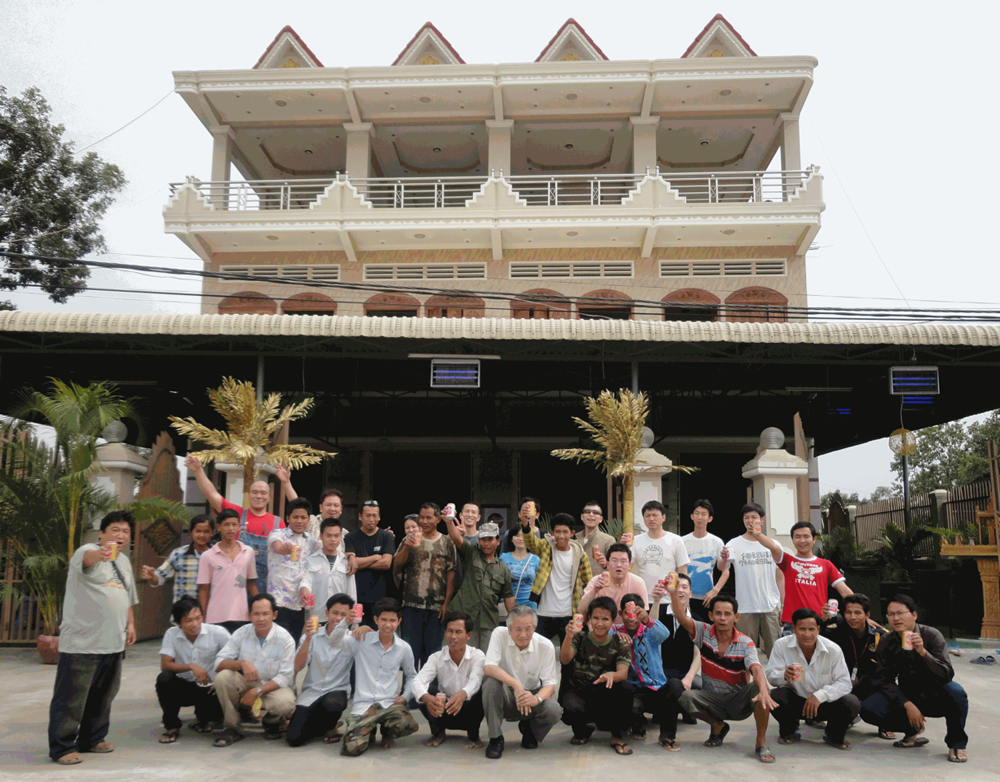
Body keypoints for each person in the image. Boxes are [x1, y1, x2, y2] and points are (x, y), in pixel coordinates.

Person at [47, 511, 138, 766]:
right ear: (102, 533)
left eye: (125, 532)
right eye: (115, 530)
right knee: (72, 696)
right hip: (83, 642)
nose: (120, 536)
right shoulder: (86, 551)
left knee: (104, 694)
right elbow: (87, 560)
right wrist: (99, 554)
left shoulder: (124, 563)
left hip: (113, 641)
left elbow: (128, 597)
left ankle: (93, 738)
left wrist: (131, 624)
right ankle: (63, 746)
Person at [669, 588, 779, 764]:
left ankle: (761, 742)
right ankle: (717, 724)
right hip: (711, 698)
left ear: (736, 617)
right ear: (711, 615)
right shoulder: (703, 631)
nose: (722, 618)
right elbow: (682, 618)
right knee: (684, 696)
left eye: (727, 614)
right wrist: (673, 593)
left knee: (760, 687)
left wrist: (764, 691)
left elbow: (756, 669)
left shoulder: (745, 643)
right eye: (718, 613)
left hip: (738, 700)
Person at [860, 594, 968, 763]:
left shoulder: (931, 635)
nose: (896, 618)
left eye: (901, 613)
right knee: (869, 708)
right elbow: (883, 679)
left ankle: (957, 743)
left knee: (956, 692)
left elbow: (947, 674)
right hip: (908, 694)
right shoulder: (886, 641)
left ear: (914, 615)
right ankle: (912, 730)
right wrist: (907, 703)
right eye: (891, 614)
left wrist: (923, 653)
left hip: (935, 693)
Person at [187, 454, 294, 591]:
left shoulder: (278, 523)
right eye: (254, 492)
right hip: (235, 583)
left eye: (263, 493)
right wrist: (198, 471)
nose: (259, 496)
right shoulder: (236, 515)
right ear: (249, 495)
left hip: (266, 586)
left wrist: (286, 483)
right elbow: (211, 494)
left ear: (269, 496)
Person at [331, 597, 420, 756]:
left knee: (408, 724)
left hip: (388, 705)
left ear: (399, 621)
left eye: (392, 620)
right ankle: (368, 731)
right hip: (363, 706)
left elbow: (412, 675)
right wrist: (345, 622)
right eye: (383, 619)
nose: (388, 624)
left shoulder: (404, 648)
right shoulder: (361, 638)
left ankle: (387, 733)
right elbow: (334, 642)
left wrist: (406, 696)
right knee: (351, 749)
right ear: (375, 620)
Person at [765, 608, 860, 750]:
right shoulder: (781, 645)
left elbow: (844, 683)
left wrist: (820, 695)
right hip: (797, 701)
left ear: (818, 629)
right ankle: (789, 731)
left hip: (823, 704)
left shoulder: (833, 649)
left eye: (811, 629)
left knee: (851, 702)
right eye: (802, 629)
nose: (807, 634)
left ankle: (834, 734)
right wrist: (784, 675)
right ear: (794, 629)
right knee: (775, 696)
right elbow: (771, 676)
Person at [211, 593, 296, 746]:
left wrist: (256, 691)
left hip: (271, 688)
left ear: (274, 615)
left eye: (265, 614)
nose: (261, 619)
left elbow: (285, 677)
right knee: (222, 678)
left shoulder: (285, 639)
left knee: (287, 702)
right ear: (249, 615)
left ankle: (272, 722)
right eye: (256, 614)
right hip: (246, 683)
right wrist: (241, 663)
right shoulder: (242, 633)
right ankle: (232, 727)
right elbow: (218, 663)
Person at [482, 605, 563, 759]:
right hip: (506, 694)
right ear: (509, 628)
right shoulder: (499, 634)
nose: (523, 634)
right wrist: (516, 685)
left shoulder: (545, 646)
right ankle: (496, 738)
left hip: (530, 696)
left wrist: (536, 699)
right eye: (518, 629)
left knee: (553, 709)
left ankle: (530, 731)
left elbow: (550, 685)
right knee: (491, 684)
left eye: (528, 628)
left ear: (535, 627)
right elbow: (489, 667)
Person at [559, 596, 633, 755]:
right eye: (595, 618)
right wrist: (568, 635)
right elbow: (565, 659)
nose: (600, 623)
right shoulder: (579, 638)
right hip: (579, 691)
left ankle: (617, 736)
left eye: (605, 619)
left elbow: (623, 673)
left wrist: (612, 675)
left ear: (613, 620)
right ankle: (583, 730)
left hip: (604, 693)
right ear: (589, 619)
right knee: (570, 709)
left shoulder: (620, 642)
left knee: (625, 688)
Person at [614, 586, 681, 750]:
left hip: (655, 688)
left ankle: (666, 735)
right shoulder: (615, 631)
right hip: (632, 690)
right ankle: (635, 726)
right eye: (627, 613)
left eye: (636, 614)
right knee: (624, 689)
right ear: (620, 613)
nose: (631, 618)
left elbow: (664, 633)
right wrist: (615, 637)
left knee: (675, 685)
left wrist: (647, 619)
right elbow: (600, 635)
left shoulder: (650, 631)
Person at [155, 596, 230, 743]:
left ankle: (202, 720)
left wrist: (221, 679)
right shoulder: (171, 634)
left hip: (211, 689)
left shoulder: (218, 633)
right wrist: (191, 666)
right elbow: (165, 664)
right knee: (164, 678)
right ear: (178, 623)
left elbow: (235, 658)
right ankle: (172, 726)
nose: (195, 624)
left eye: (198, 618)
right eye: (188, 620)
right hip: (184, 687)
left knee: (213, 718)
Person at [393, 502, 457, 669]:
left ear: (438, 519)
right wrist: (406, 547)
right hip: (410, 604)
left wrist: (446, 603)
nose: (424, 521)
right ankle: (409, 693)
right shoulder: (409, 539)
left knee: (432, 655)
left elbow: (451, 572)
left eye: (429, 517)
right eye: (422, 517)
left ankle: (431, 692)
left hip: (436, 607)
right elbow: (396, 565)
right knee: (410, 653)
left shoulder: (446, 542)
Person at [287, 592, 356, 747]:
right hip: (311, 692)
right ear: (327, 613)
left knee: (332, 704)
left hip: (336, 691)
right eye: (335, 613)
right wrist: (308, 638)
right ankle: (320, 725)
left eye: (343, 615)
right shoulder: (312, 635)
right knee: (293, 739)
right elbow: (298, 666)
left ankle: (330, 725)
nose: (338, 618)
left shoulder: (352, 638)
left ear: (349, 617)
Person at [752, 521, 851, 626]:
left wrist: (863, 617)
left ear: (814, 539)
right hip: (792, 623)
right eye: (797, 537)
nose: (802, 540)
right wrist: (757, 533)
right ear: (793, 540)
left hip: (818, 623)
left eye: (806, 536)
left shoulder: (826, 564)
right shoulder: (788, 561)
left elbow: (845, 592)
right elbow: (773, 547)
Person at [413, 611, 487, 748]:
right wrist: (426, 698)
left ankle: (473, 736)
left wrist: (463, 693)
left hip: (468, 710)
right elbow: (418, 681)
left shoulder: (478, 656)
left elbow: (476, 681)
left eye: (458, 632)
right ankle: (438, 732)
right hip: (442, 709)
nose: (453, 637)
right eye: (449, 631)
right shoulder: (436, 657)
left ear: (468, 635)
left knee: (483, 690)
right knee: (422, 691)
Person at [719, 502, 784, 657]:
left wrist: (783, 604)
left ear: (762, 520)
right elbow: (723, 568)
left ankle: (775, 682)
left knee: (775, 653)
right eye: (746, 517)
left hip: (770, 606)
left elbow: (780, 577)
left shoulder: (773, 545)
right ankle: (746, 682)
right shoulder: (734, 543)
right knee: (745, 654)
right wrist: (722, 558)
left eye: (754, 517)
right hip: (745, 607)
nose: (750, 521)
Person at [521, 512, 592, 645]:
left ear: (572, 533)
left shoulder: (580, 554)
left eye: (565, 532)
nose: (561, 536)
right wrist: (526, 526)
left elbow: (589, 583)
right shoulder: (545, 546)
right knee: (539, 654)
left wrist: (586, 611)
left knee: (568, 657)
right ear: (552, 532)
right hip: (544, 613)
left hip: (569, 614)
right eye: (557, 531)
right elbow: (531, 543)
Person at [446, 520, 515, 652]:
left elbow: (508, 597)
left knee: (486, 661)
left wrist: (514, 620)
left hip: (488, 622)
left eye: (490, 539)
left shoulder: (503, 569)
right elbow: (456, 538)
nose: (486, 543)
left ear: (498, 541)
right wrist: (449, 522)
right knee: (463, 659)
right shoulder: (471, 552)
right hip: (464, 620)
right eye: (483, 539)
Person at [821, 593, 887, 724]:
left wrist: (861, 680)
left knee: (879, 699)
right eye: (848, 612)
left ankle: (885, 725)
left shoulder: (879, 636)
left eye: (858, 613)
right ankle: (846, 715)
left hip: (868, 683)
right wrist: (823, 621)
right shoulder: (836, 630)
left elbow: (885, 669)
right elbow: (817, 640)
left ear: (867, 615)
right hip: (839, 682)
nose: (852, 617)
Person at [267, 497, 320, 643]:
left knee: (295, 642)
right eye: (295, 517)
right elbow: (276, 545)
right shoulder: (277, 534)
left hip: (300, 602)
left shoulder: (311, 541)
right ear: (288, 518)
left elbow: (327, 549)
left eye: (303, 517)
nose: (299, 521)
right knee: (277, 642)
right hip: (279, 601)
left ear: (308, 520)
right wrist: (282, 548)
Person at [196, 508, 258, 633]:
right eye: (226, 525)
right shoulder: (207, 556)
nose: (231, 529)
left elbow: (251, 584)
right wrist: (201, 618)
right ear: (218, 527)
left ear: (239, 527)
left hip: (242, 615)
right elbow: (204, 590)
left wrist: (260, 609)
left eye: (234, 524)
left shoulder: (248, 552)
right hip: (215, 616)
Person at [658, 573, 702, 731]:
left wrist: (689, 678)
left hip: (685, 673)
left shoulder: (697, 620)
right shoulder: (660, 612)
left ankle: (685, 709)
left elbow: (699, 654)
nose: (680, 590)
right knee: (669, 687)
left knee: (704, 687)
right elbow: (651, 627)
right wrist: (656, 601)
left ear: (690, 594)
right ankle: (670, 710)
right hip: (662, 672)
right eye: (677, 587)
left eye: (685, 587)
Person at [343, 500, 395, 629]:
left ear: (379, 517)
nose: (371, 519)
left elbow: (386, 563)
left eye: (374, 515)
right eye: (368, 515)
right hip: (356, 595)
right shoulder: (350, 537)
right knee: (355, 633)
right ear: (360, 516)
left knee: (375, 635)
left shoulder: (386, 536)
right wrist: (374, 557)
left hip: (379, 597)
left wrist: (360, 562)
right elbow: (350, 563)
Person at [142, 514, 215, 605]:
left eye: (206, 531)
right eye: (198, 531)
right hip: (183, 611)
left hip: (211, 612)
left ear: (212, 533)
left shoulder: (218, 555)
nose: (202, 535)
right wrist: (152, 576)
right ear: (191, 532)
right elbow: (160, 575)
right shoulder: (178, 554)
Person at [631, 500, 689, 605]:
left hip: (670, 600)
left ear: (663, 517)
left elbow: (683, 572)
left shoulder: (676, 540)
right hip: (644, 599)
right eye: (647, 516)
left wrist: (683, 600)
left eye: (655, 515)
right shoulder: (635, 541)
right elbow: (628, 568)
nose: (651, 519)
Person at [301, 518, 356, 623]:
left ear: (341, 536)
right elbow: (306, 581)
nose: (333, 540)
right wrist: (304, 589)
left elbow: (351, 591)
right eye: (329, 535)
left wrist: (353, 621)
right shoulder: (311, 560)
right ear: (321, 536)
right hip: (317, 617)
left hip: (341, 619)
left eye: (336, 536)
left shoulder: (346, 562)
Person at [681, 500, 728, 619]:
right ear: (692, 516)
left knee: (706, 633)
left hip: (706, 598)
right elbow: (678, 569)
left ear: (710, 518)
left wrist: (715, 591)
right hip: (686, 597)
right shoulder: (682, 541)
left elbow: (725, 571)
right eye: (696, 513)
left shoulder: (716, 542)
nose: (699, 517)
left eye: (703, 514)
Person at [577, 543, 648, 622]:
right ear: (607, 564)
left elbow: (644, 614)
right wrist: (594, 590)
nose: (618, 565)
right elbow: (581, 610)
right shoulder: (596, 581)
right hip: (601, 629)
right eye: (614, 561)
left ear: (630, 566)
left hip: (627, 629)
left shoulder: (638, 583)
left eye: (623, 561)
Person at [500, 529, 540, 611]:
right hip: (508, 605)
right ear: (511, 539)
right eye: (517, 535)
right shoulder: (503, 558)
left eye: (524, 536)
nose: (520, 539)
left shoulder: (536, 559)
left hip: (530, 605)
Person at [575, 500, 616, 577]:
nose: (591, 515)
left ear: (601, 519)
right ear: (582, 517)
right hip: (577, 586)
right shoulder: (575, 542)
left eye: (595, 513)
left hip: (598, 585)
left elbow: (615, 567)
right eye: (587, 512)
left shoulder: (608, 540)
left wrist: (605, 564)